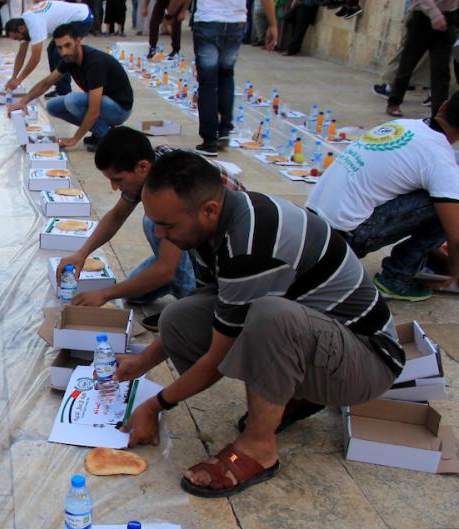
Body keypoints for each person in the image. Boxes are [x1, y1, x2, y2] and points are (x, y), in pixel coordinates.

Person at [115, 151, 404, 497]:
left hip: (368, 360)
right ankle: (296, 392)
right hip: (323, 337)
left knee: (270, 317)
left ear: (209, 210)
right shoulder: (209, 230)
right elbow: (217, 309)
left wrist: (155, 405)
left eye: (168, 225)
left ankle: (259, 447)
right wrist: (143, 361)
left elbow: (215, 359)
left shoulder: (250, 242)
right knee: (179, 316)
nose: (161, 234)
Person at [57, 128, 247, 326]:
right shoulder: (151, 167)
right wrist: (82, 254)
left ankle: (190, 305)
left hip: (225, 249)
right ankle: (179, 283)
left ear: (142, 167)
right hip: (198, 233)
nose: (114, 187)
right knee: (133, 294)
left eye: (118, 179)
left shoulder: (171, 186)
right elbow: (117, 215)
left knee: (153, 223)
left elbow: (165, 270)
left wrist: (104, 294)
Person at [307, 92, 459, 302]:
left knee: (441, 190)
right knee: (449, 200)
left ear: (443, 106)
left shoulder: (403, 125)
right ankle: (397, 279)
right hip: (343, 241)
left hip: (312, 227)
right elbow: (456, 237)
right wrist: (455, 272)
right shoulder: (439, 160)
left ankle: (414, 264)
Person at [164, 0, 277, 156]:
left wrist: (170, 13)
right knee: (226, 74)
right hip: (236, 22)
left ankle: (210, 140)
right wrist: (273, 24)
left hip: (208, 20)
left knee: (207, 82)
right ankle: (224, 129)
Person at [8, 24, 133, 150]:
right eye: (59, 48)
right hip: (105, 103)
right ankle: (100, 131)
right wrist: (23, 101)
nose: (64, 52)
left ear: (78, 41)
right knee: (53, 106)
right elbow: (46, 83)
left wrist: (74, 139)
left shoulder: (95, 62)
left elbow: (94, 109)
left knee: (72, 101)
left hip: (120, 109)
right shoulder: (69, 59)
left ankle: (106, 136)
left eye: (67, 45)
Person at [4, 0, 92, 97]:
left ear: (21, 29)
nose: (18, 40)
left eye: (17, 38)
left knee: (59, 53)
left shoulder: (35, 24)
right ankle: (60, 88)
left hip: (82, 18)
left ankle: (64, 92)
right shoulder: (24, 22)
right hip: (71, 19)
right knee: (51, 49)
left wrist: (19, 80)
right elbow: (21, 54)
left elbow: (35, 58)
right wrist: (13, 77)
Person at [386, 0, 457, 118]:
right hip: (423, 17)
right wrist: (435, 15)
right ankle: (394, 102)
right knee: (407, 64)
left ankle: (439, 113)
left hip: (448, 17)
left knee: (441, 71)